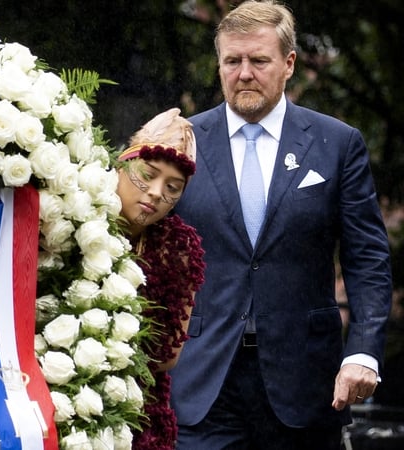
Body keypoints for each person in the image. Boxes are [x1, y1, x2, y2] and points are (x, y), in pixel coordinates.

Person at [168, 1, 392, 448]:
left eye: (258, 60)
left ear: (288, 64)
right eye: (232, 61)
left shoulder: (337, 144)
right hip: (203, 382)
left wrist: (363, 352)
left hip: (307, 387)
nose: (244, 73)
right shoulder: (181, 140)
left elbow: (367, 259)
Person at [114, 107, 205, 449]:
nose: (155, 192)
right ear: (123, 163)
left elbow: (168, 354)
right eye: (147, 175)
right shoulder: (75, 208)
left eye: (172, 187)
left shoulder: (178, 247)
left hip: (136, 404)